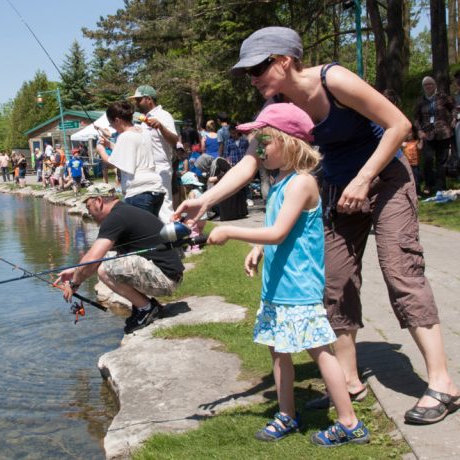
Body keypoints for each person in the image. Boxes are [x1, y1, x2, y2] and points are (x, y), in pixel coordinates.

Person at [177, 26, 458, 425]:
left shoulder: (334, 80)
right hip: (339, 188)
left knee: (401, 272)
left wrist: (363, 179)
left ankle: (442, 382)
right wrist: (205, 199)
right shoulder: (276, 104)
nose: (253, 78)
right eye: (248, 72)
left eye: (258, 68)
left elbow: (398, 125)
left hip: (384, 180)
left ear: (285, 61)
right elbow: (252, 161)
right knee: (335, 280)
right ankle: (347, 381)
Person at [206, 103, 369, 446]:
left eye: (266, 142)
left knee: (320, 351)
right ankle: (286, 414)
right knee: (278, 351)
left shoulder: (301, 183)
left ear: (291, 142)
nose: (259, 149)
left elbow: (279, 232)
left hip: (299, 287)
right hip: (278, 286)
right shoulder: (279, 183)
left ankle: (349, 421)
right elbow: (276, 230)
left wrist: (232, 233)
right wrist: (258, 249)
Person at [56, 183, 184, 334]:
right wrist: (75, 270)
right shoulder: (122, 212)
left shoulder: (115, 218)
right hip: (168, 274)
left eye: (88, 205)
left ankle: (147, 309)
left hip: (165, 279)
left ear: (99, 201)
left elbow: (93, 259)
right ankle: (141, 306)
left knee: (105, 268)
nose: (88, 211)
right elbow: (98, 254)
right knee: (106, 260)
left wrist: (74, 283)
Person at [96, 100, 167, 216]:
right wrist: (109, 145)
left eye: (111, 124)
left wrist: (101, 150)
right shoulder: (143, 131)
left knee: (140, 232)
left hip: (139, 192)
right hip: (156, 188)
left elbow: (112, 162)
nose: (112, 127)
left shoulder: (124, 137)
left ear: (117, 120)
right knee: (152, 230)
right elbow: (130, 150)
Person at [129, 85, 179, 222]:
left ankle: (172, 239)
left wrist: (161, 127)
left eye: (139, 100)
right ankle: (157, 239)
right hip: (146, 168)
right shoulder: (142, 119)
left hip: (161, 166)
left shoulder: (164, 115)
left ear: (149, 99)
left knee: (164, 206)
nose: (136, 103)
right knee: (149, 206)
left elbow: (174, 140)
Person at [414, 76, 454, 195]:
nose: (428, 86)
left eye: (430, 84)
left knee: (442, 161)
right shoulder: (420, 100)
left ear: (435, 85)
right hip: (427, 134)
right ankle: (429, 185)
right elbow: (416, 118)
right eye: (426, 84)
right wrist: (419, 131)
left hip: (443, 133)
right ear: (423, 87)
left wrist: (453, 120)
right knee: (427, 160)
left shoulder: (442, 96)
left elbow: (453, 108)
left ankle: (441, 186)